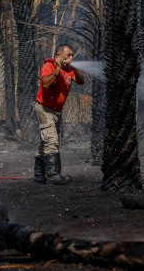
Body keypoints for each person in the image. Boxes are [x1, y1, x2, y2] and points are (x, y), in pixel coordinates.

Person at [33, 44, 85, 185]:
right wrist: (58, 68)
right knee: (51, 140)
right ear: (59, 56)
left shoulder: (70, 70)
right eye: (68, 55)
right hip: (44, 108)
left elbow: (81, 81)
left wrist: (73, 67)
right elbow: (46, 84)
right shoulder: (49, 65)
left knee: (46, 142)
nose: (71, 57)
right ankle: (53, 175)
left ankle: (38, 175)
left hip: (57, 111)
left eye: (72, 55)